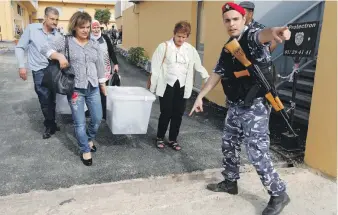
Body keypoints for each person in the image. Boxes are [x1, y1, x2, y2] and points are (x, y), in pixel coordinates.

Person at [189, 3, 291, 215]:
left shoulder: (251, 37)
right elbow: (217, 74)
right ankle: (230, 182)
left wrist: (275, 32)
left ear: (244, 19)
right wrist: (200, 95)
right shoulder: (228, 46)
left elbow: (263, 35)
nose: (231, 23)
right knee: (229, 143)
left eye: (235, 19)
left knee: (256, 151)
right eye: (227, 20)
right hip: (236, 105)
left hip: (255, 106)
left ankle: (278, 193)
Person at [41, 11, 107, 166]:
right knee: (79, 122)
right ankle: (85, 149)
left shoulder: (93, 43)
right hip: (75, 89)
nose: (85, 30)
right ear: (75, 27)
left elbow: (99, 64)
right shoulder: (65, 41)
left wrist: (102, 84)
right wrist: (59, 56)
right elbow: (44, 48)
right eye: (82, 27)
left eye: (88, 27)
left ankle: (89, 138)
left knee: (97, 118)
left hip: (93, 87)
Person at [149, 21, 209, 151]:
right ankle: (159, 137)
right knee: (166, 112)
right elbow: (155, 68)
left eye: (184, 36)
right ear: (174, 34)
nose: (181, 39)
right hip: (166, 85)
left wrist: (207, 78)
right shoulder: (163, 47)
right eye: (179, 36)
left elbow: (198, 65)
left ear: (187, 36)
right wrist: (152, 88)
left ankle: (173, 139)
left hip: (183, 86)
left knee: (178, 113)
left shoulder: (190, 50)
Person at [15, 7, 60, 139]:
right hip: (38, 70)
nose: (55, 22)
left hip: (53, 70)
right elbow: (20, 47)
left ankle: (52, 122)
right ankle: (49, 125)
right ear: (45, 17)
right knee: (44, 99)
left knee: (52, 98)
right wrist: (21, 66)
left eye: (57, 20)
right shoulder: (32, 29)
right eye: (52, 19)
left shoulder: (57, 35)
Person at [91, 20, 119, 120]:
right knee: (93, 91)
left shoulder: (105, 38)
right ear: (91, 28)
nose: (96, 29)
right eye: (94, 27)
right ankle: (92, 112)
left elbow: (111, 51)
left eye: (97, 27)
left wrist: (115, 63)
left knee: (104, 92)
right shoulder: (88, 39)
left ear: (100, 28)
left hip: (105, 69)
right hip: (92, 70)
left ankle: (103, 113)